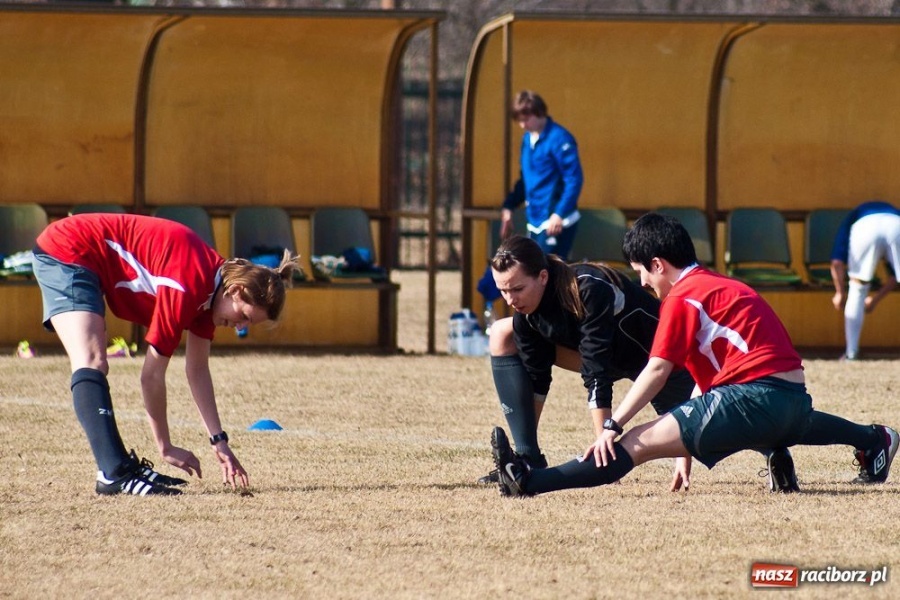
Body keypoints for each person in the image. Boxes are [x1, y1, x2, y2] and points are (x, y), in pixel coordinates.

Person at [490, 213, 898, 497]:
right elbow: (707, 380)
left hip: (754, 400)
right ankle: (872, 438)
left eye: (642, 273)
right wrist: (683, 446)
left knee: (631, 446)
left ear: (657, 264)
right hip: (792, 401)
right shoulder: (721, 284)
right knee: (777, 422)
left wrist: (613, 425)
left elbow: (656, 370)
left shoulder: (683, 297)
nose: (644, 284)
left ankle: (530, 481)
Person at [481, 234, 798, 493]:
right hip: (614, 360)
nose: (510, 299)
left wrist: (603, 449)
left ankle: (773, 451)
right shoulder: (527, 316)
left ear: (543, 277)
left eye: (517, 288)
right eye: (502, 290)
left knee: (707, 424)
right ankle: (526, 459)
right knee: (503, 332)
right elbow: (538, 380)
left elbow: (596, 371)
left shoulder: (589, 288)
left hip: (661, 363)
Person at [32, 213, 299, 496]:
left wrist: (219, 442)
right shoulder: (187, 283)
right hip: (67, 248)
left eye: (248, 324)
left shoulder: (211, 296)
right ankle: (113, 474)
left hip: (88, 258)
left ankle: (120, 466)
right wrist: (165, 447)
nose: (240, 327)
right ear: (235, 290)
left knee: (94, 359)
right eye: (243, 316)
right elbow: (151, 376)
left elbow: (197, 370)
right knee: (91, 359)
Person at [477, 90, 585, 306]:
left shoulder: (559, 138)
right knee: (524, 273)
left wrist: (559, 214)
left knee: (545, 279)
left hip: (554, 220)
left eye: (526, 119)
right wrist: (508, 206)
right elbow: (526, 180)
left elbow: (574, 179)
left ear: (539, 113)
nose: (523, 125)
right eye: (520, 120)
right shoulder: (528, 140)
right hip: (535, 219)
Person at [829, 200, 899, 360]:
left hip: (865, 228)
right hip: (897, 225)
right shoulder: (894, 213)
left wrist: (840, 293)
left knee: (858, 287)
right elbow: (895, 277)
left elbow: (837, 263)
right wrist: (875, 300)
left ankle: (851, 353)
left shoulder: (853, 217)